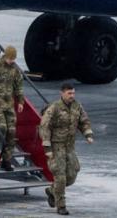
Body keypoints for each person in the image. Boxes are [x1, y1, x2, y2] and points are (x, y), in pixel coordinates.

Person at [39, 82, 94, 216]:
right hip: (56, 146)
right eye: (69, 93)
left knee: (72, 174)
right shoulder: (54, 108)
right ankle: (61, 206)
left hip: (69, 146)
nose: (72, 96)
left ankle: (52, 191)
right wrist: (47, 147)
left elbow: (83, 121)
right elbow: (44, 126)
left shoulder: (76, 106)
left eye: (73, 93)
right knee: (60, 177)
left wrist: (88, 134)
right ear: (62, 93)